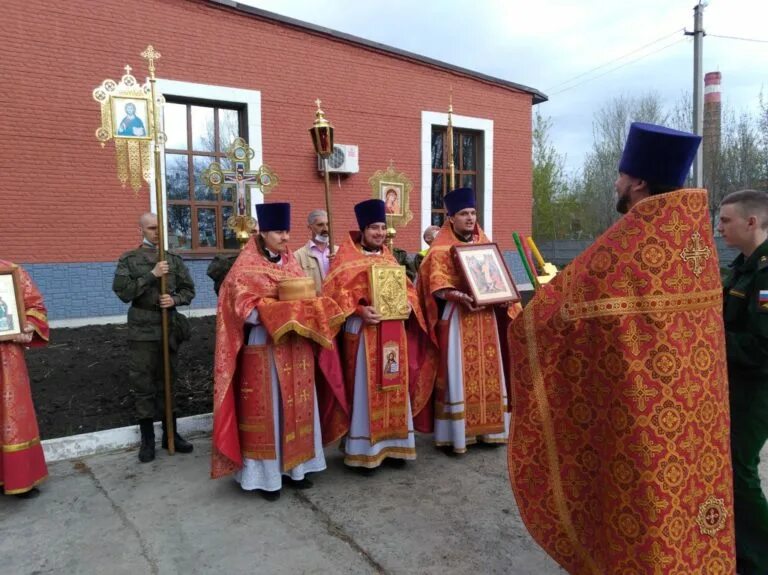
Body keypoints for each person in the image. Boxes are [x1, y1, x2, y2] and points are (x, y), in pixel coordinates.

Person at [506, 123, 735, 572]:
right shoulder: (695, 242)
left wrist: (522, 321)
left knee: (646, 505)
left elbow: (554, 315)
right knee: (689, 505)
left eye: (620, 175)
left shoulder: (630, 242)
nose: (616, 183)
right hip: (697, 417)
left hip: (641, 414)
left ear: (639, 182)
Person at [211, 202, 348, 500]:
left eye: (287, 231)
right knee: (270, 410)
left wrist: (309, 308)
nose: (285, 237)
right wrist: (281, 312)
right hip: (264, 346)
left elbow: (307, 296)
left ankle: (298, 470)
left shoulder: (292, 263)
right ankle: (267, 478)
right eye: (278, 232)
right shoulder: (244, 268)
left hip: (296, 346)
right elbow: (242, 312)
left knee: (299, 407)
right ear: (262, 232)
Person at [322, 199, 436, 471]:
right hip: (364, 336)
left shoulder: (389, 257)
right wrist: (359, 311)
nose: (380, 233)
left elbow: (408, 290)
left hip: (394, 333)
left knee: (394, 386)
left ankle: (396, 447)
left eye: (383, 228)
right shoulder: (345, 259)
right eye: (374, 228)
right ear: (363, 229)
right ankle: (365, 450)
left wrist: (408, 305)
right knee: (367, 389)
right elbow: (332, 297)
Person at [417, 188, 519, 454]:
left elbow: (499, 280)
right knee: (460, 373)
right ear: (451, 218)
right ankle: (458, 434)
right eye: (464, 213)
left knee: (490, 371)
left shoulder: (484, 243)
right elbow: (435, 284)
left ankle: (490, 430)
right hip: (458, 318)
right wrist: (459, 296)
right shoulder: (440, 248)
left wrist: (505, 297)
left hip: (485, 319)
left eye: (473, 213)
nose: (470, 218)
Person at [113, 212, 196, 463]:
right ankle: (147, 439)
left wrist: (175, 299)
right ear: (141, 230)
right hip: (142, 330)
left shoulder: (173, 260)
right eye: (151, 228)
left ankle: (171, 434)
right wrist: (152, 275)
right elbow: (123, 292)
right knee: (143, 383)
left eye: (160, 228)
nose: (156, 232)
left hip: (167, 327)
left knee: (168, 381)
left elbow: (188, 290)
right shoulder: (130, 259)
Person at [718, 189, 768, 574]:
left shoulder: (766, 275)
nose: (719, 228)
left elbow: (763, 346)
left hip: (758, 389)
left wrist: (710, 342)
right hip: (736, 384)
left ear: (751, 222)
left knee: (740, 471)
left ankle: (757, 560)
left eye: (725, 220)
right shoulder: (741, 266)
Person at [0, 262, 49, 498]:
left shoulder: (11, 270)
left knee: (12, 414)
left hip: (7, 358)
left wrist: (27, 325)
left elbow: (34, 305)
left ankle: (18, 477)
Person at [206, 221, 259, 296]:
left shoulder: (273, 259)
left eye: (259, 232)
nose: (256, 235)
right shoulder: (229, 263)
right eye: (252, 232)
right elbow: (223, 293)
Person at [294, 209, 336, 295]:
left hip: (337, 305)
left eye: (328, 224)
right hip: (314, 305)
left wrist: (339, 264)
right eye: (320, 225)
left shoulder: (339, 251)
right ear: (310, 227)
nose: (325, 229)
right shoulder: (298, 256)